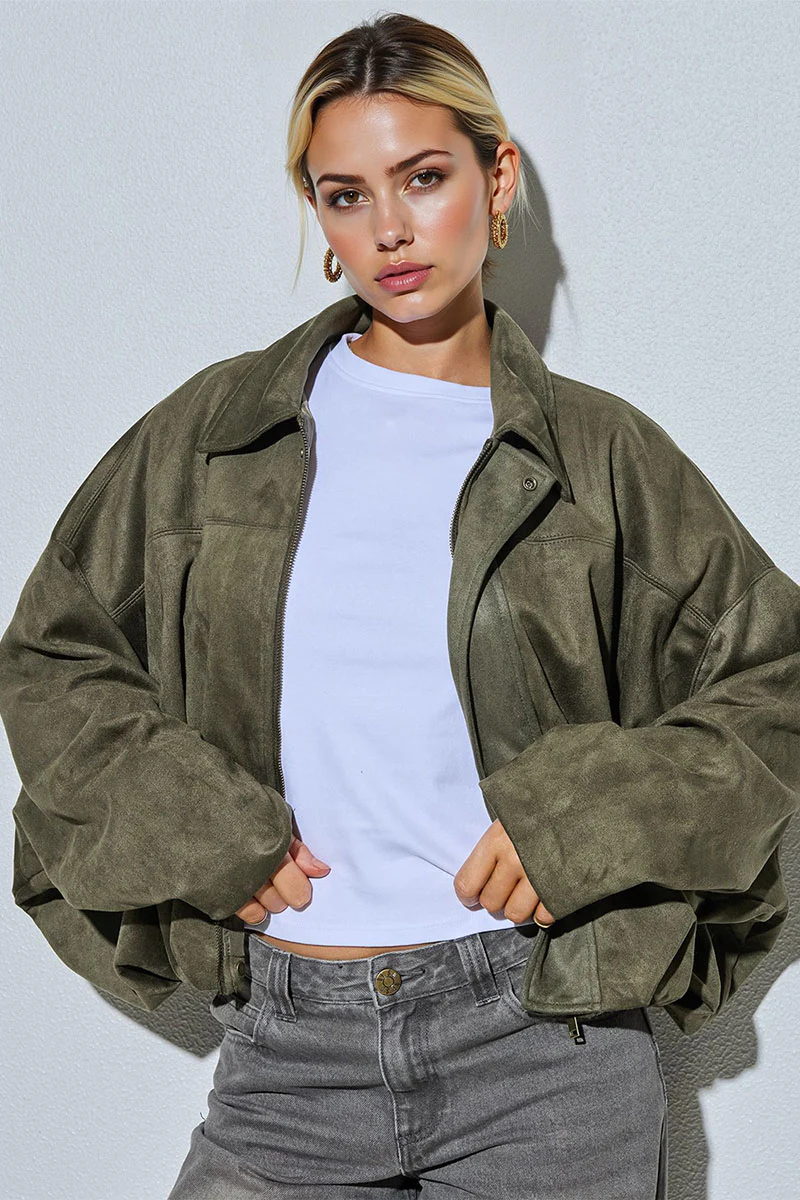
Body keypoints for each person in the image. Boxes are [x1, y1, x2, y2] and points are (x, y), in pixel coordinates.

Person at [1, 11, 799, 1199]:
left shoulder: (599, 455)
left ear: (495, 178)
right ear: (316, 215)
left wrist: (582, 823)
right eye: (345, 195)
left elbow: (772, 681)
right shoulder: (216, 437)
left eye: (422, 178)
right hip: (287, 1049)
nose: (388, 228)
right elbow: (52, 656)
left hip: (546, 1044)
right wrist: (200, 827)